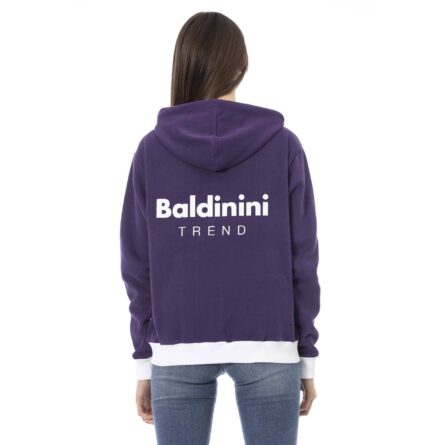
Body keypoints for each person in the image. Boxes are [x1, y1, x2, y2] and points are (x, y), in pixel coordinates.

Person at [120, 11, 320, 445]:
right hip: (270, 345)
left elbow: (137, 266)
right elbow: (303, 257)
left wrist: (143, 360)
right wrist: (306, 355)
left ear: (184, 65)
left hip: (176, 349)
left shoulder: (152, 151)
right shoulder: (283, 146)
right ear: (240, 65)